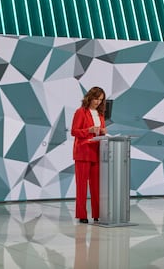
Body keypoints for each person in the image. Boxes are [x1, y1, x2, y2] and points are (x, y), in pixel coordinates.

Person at [71, 87, 107, 224]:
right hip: (83, 152)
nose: (98, 102)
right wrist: (89, 130)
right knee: (81, 186)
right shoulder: (81, 112)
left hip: (96, 152)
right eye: (96, 98)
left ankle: (97, 213)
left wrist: (103, 131)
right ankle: (82, 214)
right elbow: (74, 131)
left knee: (96, 185)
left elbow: (99, 132)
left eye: (101, 100)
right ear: (90, 97)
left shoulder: (100, 114)